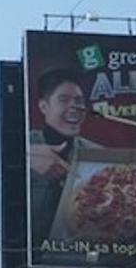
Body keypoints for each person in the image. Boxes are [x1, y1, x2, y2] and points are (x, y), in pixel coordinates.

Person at [28, 68, 100, 241]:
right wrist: (27, 154)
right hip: (31, 254)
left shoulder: (97, 153)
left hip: (85, 253)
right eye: (64, 100)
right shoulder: (24, 146)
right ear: (44, 106)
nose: (74, 107)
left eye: (78, 100)